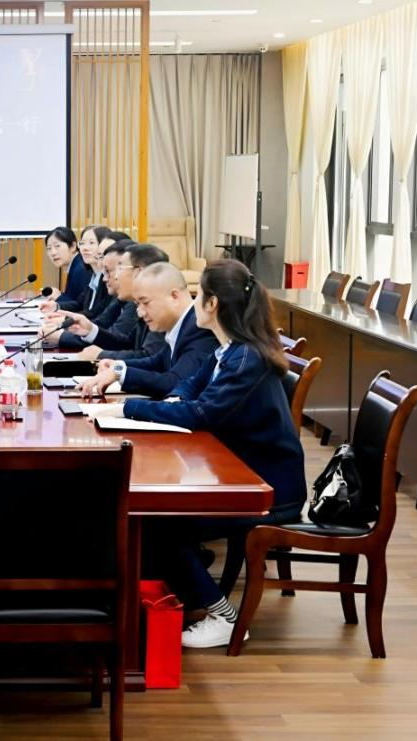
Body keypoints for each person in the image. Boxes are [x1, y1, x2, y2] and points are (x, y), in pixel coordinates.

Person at [114, 260, 308, 648]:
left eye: (199, 294)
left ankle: (224, 617)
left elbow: (202, 413)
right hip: (240, 475)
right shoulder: (228, 351)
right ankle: (178, 593)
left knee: (156, 525)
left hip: (267, 491)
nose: (195, 300)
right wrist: (168, 404)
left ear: (213, 303)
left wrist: (127, 409)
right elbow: (187, 389)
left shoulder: (246, 358)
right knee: (152, 521)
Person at [76, 262, 217, 399]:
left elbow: (177, 382)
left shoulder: (200, 329)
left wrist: (120, 372)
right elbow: (157, 362)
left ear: (174, 296)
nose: (140, 312)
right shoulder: (182, 323)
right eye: (137, 304)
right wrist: (117, 366)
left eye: (145, 303)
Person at [55, 243, 170, 360]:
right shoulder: (141, 304)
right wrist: (90, 331)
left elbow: (149, 357)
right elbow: (127, 344)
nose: (115, 277)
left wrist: (101, 355)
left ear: (139, 272)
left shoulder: (162, 306)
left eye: (120, 269)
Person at [42, 226, 87, 309]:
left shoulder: (81, 269)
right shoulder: (76, 265)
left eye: (57, 246)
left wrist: (58, 297)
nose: (53, 253)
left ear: (73, 246)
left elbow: (80, 307)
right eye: (49, 248)